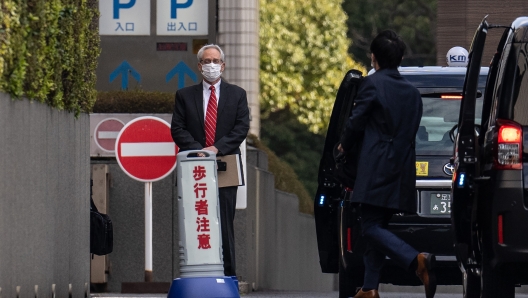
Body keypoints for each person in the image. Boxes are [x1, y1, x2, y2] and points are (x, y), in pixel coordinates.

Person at [337, 30, 436, 298]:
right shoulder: (412, 93)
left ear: (373, 57)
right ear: (400, 58)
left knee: (369, 227)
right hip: (401, 169)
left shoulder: (372, 84)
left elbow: (356, 121)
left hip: (375, 167)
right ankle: (370, 288)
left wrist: (343, 144)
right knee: (377, 226)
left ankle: (417, 260)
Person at [171, 44, 250, 277]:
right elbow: (178, 129)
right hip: (194, 167)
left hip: (225, 166)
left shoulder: (237, 95)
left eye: (216, 61)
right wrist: (201, 151)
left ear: (223, 66)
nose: (211, 65)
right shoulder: (184, 96)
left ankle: (228, 276)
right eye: (207, 61)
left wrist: (216, 149)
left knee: (224, 223)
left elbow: (241, 128)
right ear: (199, 66)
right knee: (196, 219)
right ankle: (198, 274)